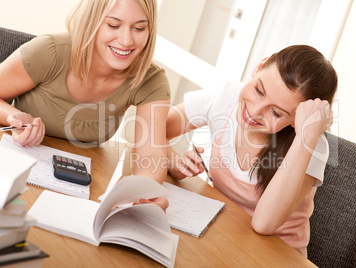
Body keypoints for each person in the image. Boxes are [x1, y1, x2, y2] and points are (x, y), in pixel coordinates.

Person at [166, 45, 338, 257]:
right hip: (220, 236)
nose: (255, 111)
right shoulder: (226, 97)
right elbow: (153, 129)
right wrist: (173, 161)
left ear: (297, 120)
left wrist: (307, 136)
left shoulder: (311, 144)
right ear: (258, 67)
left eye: (276, 112)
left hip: (273, 257)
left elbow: (264, 223)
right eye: (258, 90)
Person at [0, 0, 170, 208]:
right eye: (113, 25)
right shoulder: (50, 52)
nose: (126, 40)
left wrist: (146, 193)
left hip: (74, 190)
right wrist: (13, 116)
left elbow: (151, 153)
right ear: (92, 22)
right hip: (16, 176)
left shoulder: (150, 80)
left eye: (139, 28)